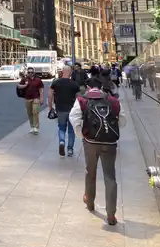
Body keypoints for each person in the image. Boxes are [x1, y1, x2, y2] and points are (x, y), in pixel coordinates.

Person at [70, 87, 127, 226]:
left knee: (90, 172)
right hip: (110, 144)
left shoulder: (82, 100)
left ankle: (90, 202)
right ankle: (111, 214)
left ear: (88, 88)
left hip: (90, 142)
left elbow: (74, 118)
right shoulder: (113, 101)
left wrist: (81, 135)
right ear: (102, 88)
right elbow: (123, 122)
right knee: (110, 176)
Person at [48, 65, 79, 157]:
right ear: (70, 73)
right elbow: (78, 98)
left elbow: (50, 95)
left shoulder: (56, 82)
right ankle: (70, 149)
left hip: (60, 109)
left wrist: (50, 107)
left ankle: (62, 142)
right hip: (72, 110)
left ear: (62, 72)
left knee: (61, 127)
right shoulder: (74, 84)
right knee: (71, 130)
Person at [17, 67, 44, 134]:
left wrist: (42, 98)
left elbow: (41, 89)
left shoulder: (38, 80)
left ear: (34, 73)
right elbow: (19, 86)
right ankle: (32, 126)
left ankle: (36, 127)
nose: (30, 73)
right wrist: (25, 85)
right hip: (27, 98)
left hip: (36, 98)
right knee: (30, 113)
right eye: (29, 72)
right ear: (27, 73)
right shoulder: (25, 79)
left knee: (35, 112)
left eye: (32, 72)